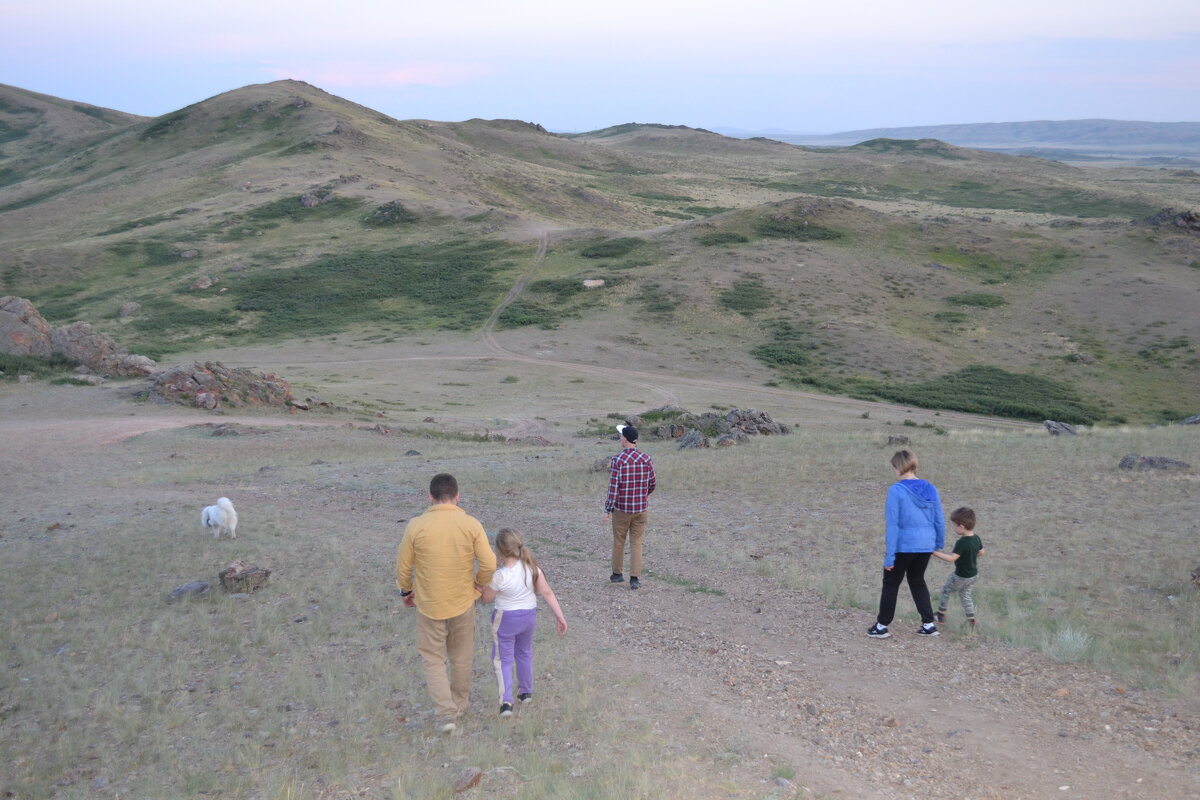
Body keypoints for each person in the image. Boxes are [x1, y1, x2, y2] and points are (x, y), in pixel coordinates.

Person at [396, 473, 497, 733]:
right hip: (463, 600)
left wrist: (406, 591)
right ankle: (460, 705)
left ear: (430, 497)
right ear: (457, 496)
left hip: (428, 603)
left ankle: (445, 713)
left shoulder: (416, 525)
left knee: (433, 658)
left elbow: (404, 566)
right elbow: (488, 562)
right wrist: (480, 583)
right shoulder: (471, 524)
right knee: (461, 656)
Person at [477, 528, 567, 717]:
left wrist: (481, 587)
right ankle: (525, 692)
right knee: (524, 652)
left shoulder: (500, 575)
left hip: (506, 619)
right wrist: (560, 616)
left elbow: (486, 599)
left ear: (499, 551)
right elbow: (547, 593)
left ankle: (506, 702)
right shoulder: (533, 569)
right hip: (528, 616)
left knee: (503, 659)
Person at [868, 450, 945, 639]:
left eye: (894, 467)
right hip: (926, 545)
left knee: (891, 583)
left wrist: (889, 557)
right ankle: (928, 625)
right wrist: (938, 543)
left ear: (899, 467)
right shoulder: (930, 488)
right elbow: (939, 519)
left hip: (904, 545)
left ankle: (881, 626)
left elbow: (892, 525)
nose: (894, 471)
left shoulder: (896, 490)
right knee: (918, 581)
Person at [604, 424, 656, 590]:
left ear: (625, 439)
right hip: (641, 509)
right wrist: (643, 496)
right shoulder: (646, 459)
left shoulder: (618, 460)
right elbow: (652, 483)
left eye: (621, 436)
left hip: (621, 509)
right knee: (637, 543)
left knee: (619, 542)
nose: (620, 439)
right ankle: (635, 578)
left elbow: (613, 488)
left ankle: (617, 574)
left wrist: (607, 509)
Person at [933, 507, 985, 630]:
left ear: (961, 526)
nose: (954, 528)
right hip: (973, 575)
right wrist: (971, 557)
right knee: (966, 596)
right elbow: (982, 552)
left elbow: (952, 558)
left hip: (960, 576)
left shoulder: (962, 542)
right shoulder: (976, 538)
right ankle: (971, 621)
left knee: (946, 590)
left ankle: (941, 614)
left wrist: (934, 552)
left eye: (954, 525)